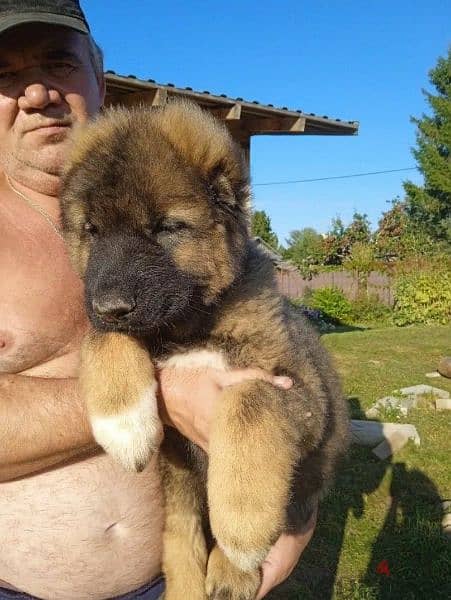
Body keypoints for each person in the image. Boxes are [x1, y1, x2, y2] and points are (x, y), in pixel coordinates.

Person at [0, 1, 317, 599]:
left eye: (57, 63)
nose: (37, 93)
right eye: (4, 76)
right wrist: (166, 392)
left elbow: (289, 384)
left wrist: (289, 523)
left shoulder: (199, 220)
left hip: (181, 579)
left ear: (97, 68)